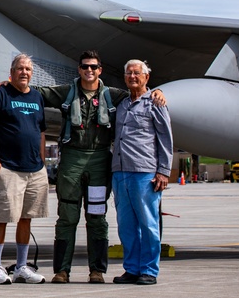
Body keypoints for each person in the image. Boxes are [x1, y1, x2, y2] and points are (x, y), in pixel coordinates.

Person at [33, 50, 166, 284]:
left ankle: (97, 271)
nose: (89, 71)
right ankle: (62, 271)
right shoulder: (68, 92)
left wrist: (158, 91)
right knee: (67, 216)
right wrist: (10, 85)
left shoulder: (112, 95)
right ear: (79, 69)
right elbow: (38, 94)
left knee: (97, 216)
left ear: (100, 70)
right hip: (72, 160)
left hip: (100, 161)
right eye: (85, 66)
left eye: (93, 67)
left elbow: (140, 92)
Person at [0, 53, 48, 285]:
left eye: (28, 69)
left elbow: (40, 131)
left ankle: (21, 267)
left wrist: (42, 160)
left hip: (34, 169)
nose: (24, 72)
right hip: (8, 168)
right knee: (3, 217)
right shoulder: (0, 95)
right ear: (12, 72)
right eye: (20, 68)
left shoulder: (37, 97)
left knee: (26, 218)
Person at [111, 59, 173, 286]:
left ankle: (149, 270)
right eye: (129, 73)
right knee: (126, 225)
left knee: (148, 223)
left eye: (137, 73)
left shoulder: (156, 103)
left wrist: (164, 171)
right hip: (120, 172)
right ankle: (132, 268)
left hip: (144, 172)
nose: (132, 77)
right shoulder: (122, 104)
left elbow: (165, 139)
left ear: (146, 77)